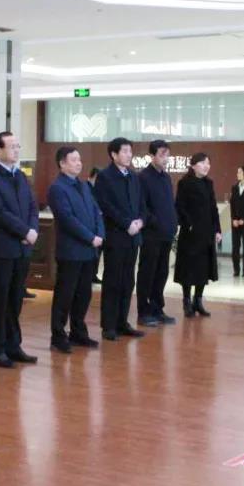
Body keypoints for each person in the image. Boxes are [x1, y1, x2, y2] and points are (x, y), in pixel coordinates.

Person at [0, 131, 39, 368]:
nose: (16, 150)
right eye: (12, 146)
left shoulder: (20, 175)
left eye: (17, 146)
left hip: (22, 249)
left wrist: (32, 229)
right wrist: (24, 231)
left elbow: (32, 206)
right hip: (1, 248)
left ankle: (14, 346)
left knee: (15, 300)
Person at [47, 147, 104, 353]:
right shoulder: (57, 188)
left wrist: (100, 234)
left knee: (83, 294)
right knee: (65, 295)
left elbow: (97, 211)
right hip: (71, 251)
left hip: (89, 251)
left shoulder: (84, 185)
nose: (79, 163)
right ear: (62, 164)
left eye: (79, 159)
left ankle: (78, 332)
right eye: (73, 160)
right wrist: (90, 237)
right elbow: (67, 219)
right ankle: (58, 336)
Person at [93, 137, 146, 341]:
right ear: (113, 154)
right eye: (124, 151)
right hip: (116, 236)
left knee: (128, 281)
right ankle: (109, 325)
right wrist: (126, 224)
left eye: (130, 151)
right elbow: (105, 206)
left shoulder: (133, 176)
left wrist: (140, 221)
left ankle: (122, 322)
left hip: (134, 236)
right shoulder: (105, 177)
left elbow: (141, 203)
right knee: (113, 281)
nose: (128, 155)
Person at [136, 140, 178, 327]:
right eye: (162, 154)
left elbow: (169, 204)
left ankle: (157, 308)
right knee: (148, 272)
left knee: (162, 272)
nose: (165, 158)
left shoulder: (166, 178)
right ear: (152, 156)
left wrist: (172, 223)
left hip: (166, 233)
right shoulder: (143, 177)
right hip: (151, 234)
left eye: (167, 154)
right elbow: (142, 207)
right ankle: (143, 311)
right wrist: (155, 222)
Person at [174, 153, 221, 317]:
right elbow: (180, 206)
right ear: (193, 165)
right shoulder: (185, 183)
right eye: (203, 163)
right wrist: (189, 224)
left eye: (208, 163)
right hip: (190, 233)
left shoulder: (209, 183)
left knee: (203, 268)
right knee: (188, 268)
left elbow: (213, 208)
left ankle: (198, 300)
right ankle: (186, 301)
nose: (206, 166)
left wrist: (217, 229)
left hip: (206, 233)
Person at [89, 167, 103, 284]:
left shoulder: (97, 189)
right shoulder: (86, 188)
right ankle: (91, 274)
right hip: (91, 227)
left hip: (99, 226)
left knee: (98, 253)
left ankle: (93, 274)